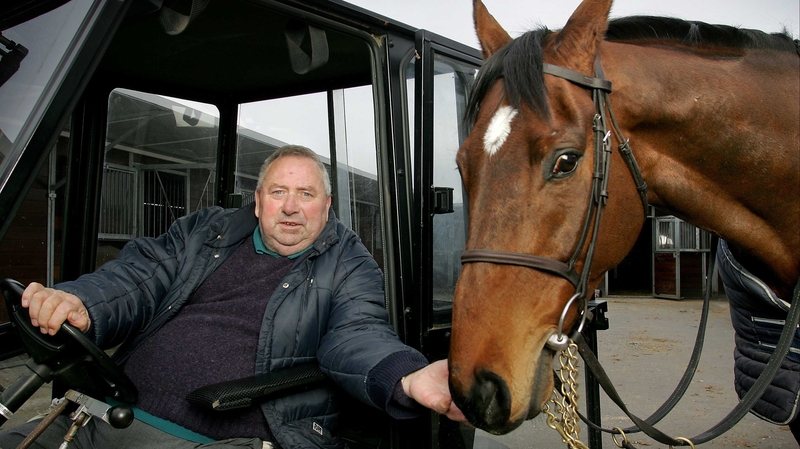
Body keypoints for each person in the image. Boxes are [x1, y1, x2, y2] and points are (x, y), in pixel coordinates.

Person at [0, 145, 465, 449]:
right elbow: (137, 276)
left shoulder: (350, 265)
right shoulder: (205, 231)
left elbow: (358, 334)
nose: (290, 206)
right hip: (102, 415)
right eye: (279, 192)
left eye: (306, 194)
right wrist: (82, 303)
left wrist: (403, 376)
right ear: (258, 200)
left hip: (216, 440)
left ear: (326, 206)